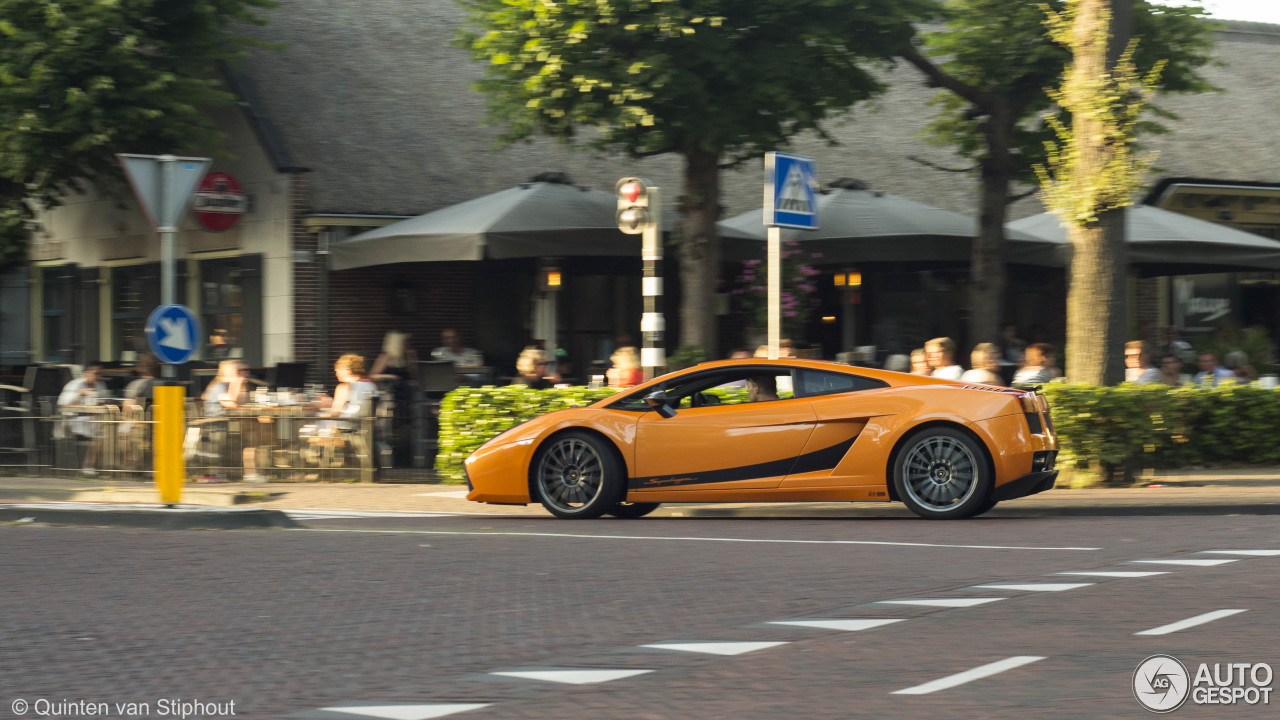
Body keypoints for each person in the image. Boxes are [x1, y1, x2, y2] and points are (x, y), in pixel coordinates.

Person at [57, 364, 109, 476]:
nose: (98, 377)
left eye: (100, 374)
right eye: (96, 373)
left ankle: (105, 466)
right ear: (86, 373)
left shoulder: (99, 385)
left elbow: (105, 399)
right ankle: (88, 466)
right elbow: (62, 403)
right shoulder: (75, 384)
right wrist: (79, 394)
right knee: (99, 435)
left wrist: (103, 402)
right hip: (74, 419)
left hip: (92, 418)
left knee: (107, 430)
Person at [316, 354, 378, 431]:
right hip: (366, 428)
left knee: (314, 420)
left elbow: (335, 413)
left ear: (348, 371)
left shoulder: (344, 387)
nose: (336, 374)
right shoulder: (372, 385)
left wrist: (321, 411)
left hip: (347, 427)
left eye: (338, 371)